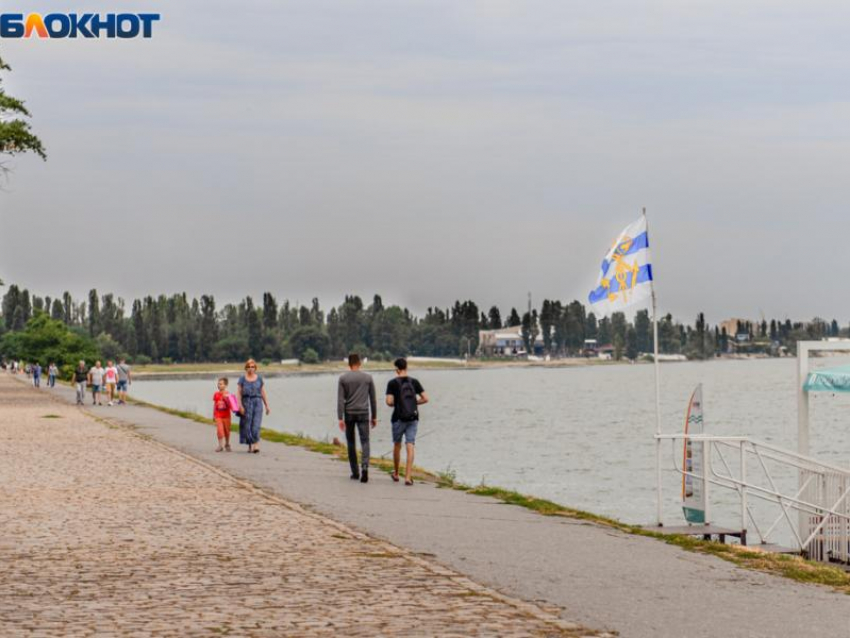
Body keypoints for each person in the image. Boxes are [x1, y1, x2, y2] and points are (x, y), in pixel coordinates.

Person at [386, 358, 428, 486]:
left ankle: (397, 474)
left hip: (398, 418)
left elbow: (388, 402)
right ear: (406, 367)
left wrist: (398, 404)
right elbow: (425, 398)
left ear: (397, 369)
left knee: (397, 445)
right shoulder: (414, 382)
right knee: (410, 445)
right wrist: (413, 403)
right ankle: (408, 477)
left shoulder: (392, 383)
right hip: (412, 418)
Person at [337, 353, 377, 483]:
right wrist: (374, 416)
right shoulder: (368, 378)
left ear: (349, 364)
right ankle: (365, 467)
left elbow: (340, 400)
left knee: (351, 442)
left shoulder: (343, 378)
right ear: (359, 363)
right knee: (365, 441)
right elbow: (373, 399)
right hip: (364, 413)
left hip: (349, 413)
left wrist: (340, 417)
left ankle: (355, 472)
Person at [237, 359, 270, 453]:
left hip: (257, 402)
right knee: (247, 426)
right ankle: (250, 445)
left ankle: (256, 445)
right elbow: (239, 393)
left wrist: (267, 405)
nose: (250, 369)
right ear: (246, 368)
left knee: (256, 425)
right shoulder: (242, 379)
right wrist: (240, 406)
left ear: (255, 368)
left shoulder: (259, 379)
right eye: (248, 367)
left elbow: (263, 392)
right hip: (246, 402)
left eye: (252, 367)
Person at [213, 377, 233, 452]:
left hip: (226, 416)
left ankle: (227, 444)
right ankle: (220, 445)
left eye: (221, 384)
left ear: (225, 385)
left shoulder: (228, 395)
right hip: (218, 416)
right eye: (218, 384)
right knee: (220, 430)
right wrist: (213, 415)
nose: (219, 385)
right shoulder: (216, 394)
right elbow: (215, 405)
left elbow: (232, 407)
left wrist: (226, 399)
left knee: (227, 431)